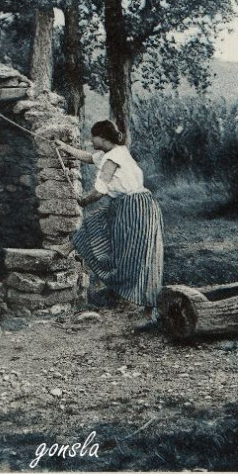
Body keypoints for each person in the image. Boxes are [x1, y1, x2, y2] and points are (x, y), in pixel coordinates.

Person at [55, 120, 164, 332]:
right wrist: (65, 147)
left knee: (140, 257)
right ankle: (68, 247)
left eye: (93, 137)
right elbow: (88, 157)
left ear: (103, 138)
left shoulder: (113, 158)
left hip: (136, 208)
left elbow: (99, 191)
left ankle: (151, 312)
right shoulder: (115, 152)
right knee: (94, 224)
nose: (91, 140)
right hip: (130, 205)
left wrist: (84, 199)